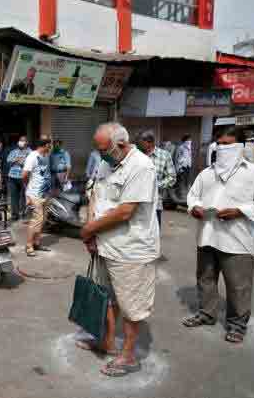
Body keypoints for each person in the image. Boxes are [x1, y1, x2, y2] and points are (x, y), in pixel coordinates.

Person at [78, 123, 159, 377]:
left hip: (131, 250)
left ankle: (129, 356)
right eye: (98, 149)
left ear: (121, 145)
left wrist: (89, 229)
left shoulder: (141, 167)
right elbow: (95, 195)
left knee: (132, 306)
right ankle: (108, 343)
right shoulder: (107, 163)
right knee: (108, 299)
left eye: (104, 149)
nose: (100, 154)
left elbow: (126, 211)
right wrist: (91, 230)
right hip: (105, 246)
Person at [183, 127, 254, 344]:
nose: (222, 148)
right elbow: (192, 196)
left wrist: (240, 211)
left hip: (237, 239)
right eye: (219, 144)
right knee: (205, 279)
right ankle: (207, 313)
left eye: (228, 144)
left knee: (238, 285)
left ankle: (237, 324)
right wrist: (195, 208)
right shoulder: (207, 173)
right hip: (207, 236)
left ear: (241, 147)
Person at [136, 131, 176, 228]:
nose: (138, 146)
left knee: (154, 234)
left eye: (141, 143)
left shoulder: (164, 155)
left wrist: (155, 185)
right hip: (135, 203)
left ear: (149, 142)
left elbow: (172, 177)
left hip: (155, 202)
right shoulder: (136, 154)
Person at [22, 138, 53, 256]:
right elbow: (24, 175)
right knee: (36, 220)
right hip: (35, 194)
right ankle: (29, 245)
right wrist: (27, 191)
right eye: (49, 146)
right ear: (44, 145)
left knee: (43, 219)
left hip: (45, 194)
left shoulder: (46, 156)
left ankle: (37, 243)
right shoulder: (32, 157)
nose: (50, 148)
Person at [6, 135, 31, 220]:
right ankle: (15, 214)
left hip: (24, 177)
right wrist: (16, 160)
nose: (21, 142)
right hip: (12, 177)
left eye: (23, 140)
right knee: (14, 196)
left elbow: (30, 164)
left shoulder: (30, 152)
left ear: (27, 142)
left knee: (24, 196)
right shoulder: (13, 151)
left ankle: (24, 213)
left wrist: (21, 163)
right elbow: (8, 160)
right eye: (20, 140)